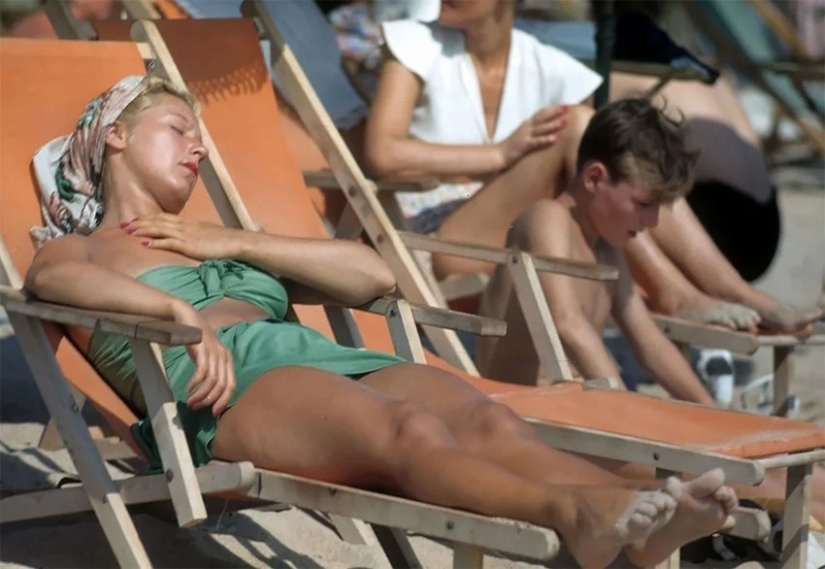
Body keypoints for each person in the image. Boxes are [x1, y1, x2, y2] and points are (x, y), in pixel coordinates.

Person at [24, 73, 742, 569]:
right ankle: (580, 515)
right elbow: (47, 278)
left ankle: (626, 511)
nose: (200, 146)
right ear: (114, 137)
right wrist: (177, 310)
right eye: (179, 127)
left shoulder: (209, 231)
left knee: (491, 423)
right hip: (224, 383)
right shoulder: (82, 248)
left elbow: (376, 276)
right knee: (411, 431)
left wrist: (233, 241)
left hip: (310, 357)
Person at [364, 0, 823, 332]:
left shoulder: (549, 66)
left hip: (530, 232)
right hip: (437, 236)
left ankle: (737, 291)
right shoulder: (413, 46)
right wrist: (499, 156)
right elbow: (382, 153)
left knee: (602, 152)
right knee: (579, 128)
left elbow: (591, 188)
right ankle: (675, 291)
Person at [476, 97, 714, 405]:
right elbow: (567, 322)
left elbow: (649, 343)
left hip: (574, 409)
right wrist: (630, 412)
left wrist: (712, 412)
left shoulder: (607, 247)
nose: (652, 221)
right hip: (520, 411)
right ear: (594, 178)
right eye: (643, 204)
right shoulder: (548, 218)